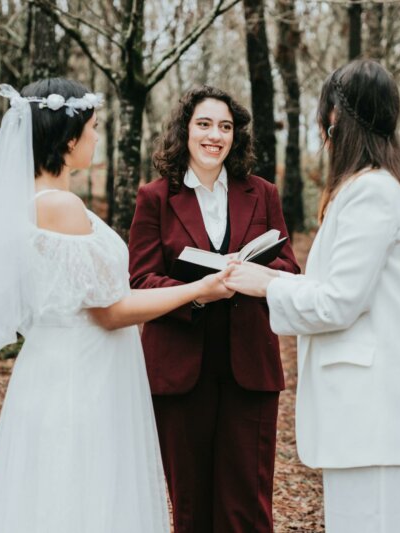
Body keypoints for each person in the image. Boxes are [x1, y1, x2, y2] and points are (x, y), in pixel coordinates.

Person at [0, 78, 232, 533]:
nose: (98, 136)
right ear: (69, 140)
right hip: (80, 377)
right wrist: (198, 289)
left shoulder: (33, 201)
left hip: (62, 366)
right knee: (82, 496)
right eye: (94, 127)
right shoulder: (59, 206)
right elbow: (111, 310)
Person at [223, 60, 400, 533]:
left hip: (374, 415)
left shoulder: (372, 194)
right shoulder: (364, 188)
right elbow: (337, 289)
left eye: (327, 112)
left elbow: (339, 302)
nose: (324, 124)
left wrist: (267, 285)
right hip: (363, 417)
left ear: (339, 117)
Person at [127, 85, 301, 533]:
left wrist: (251, 273)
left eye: (224, 127)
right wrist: (200, 291)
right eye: (204, 124)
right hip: (180, 369)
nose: (214, 136)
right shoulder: (155, 197)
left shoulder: (262, 193)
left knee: (248, 506)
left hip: (251, 367)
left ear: (235, 136)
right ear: (184, 130)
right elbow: (142, 281)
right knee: (191, 508)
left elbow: (287, 265)